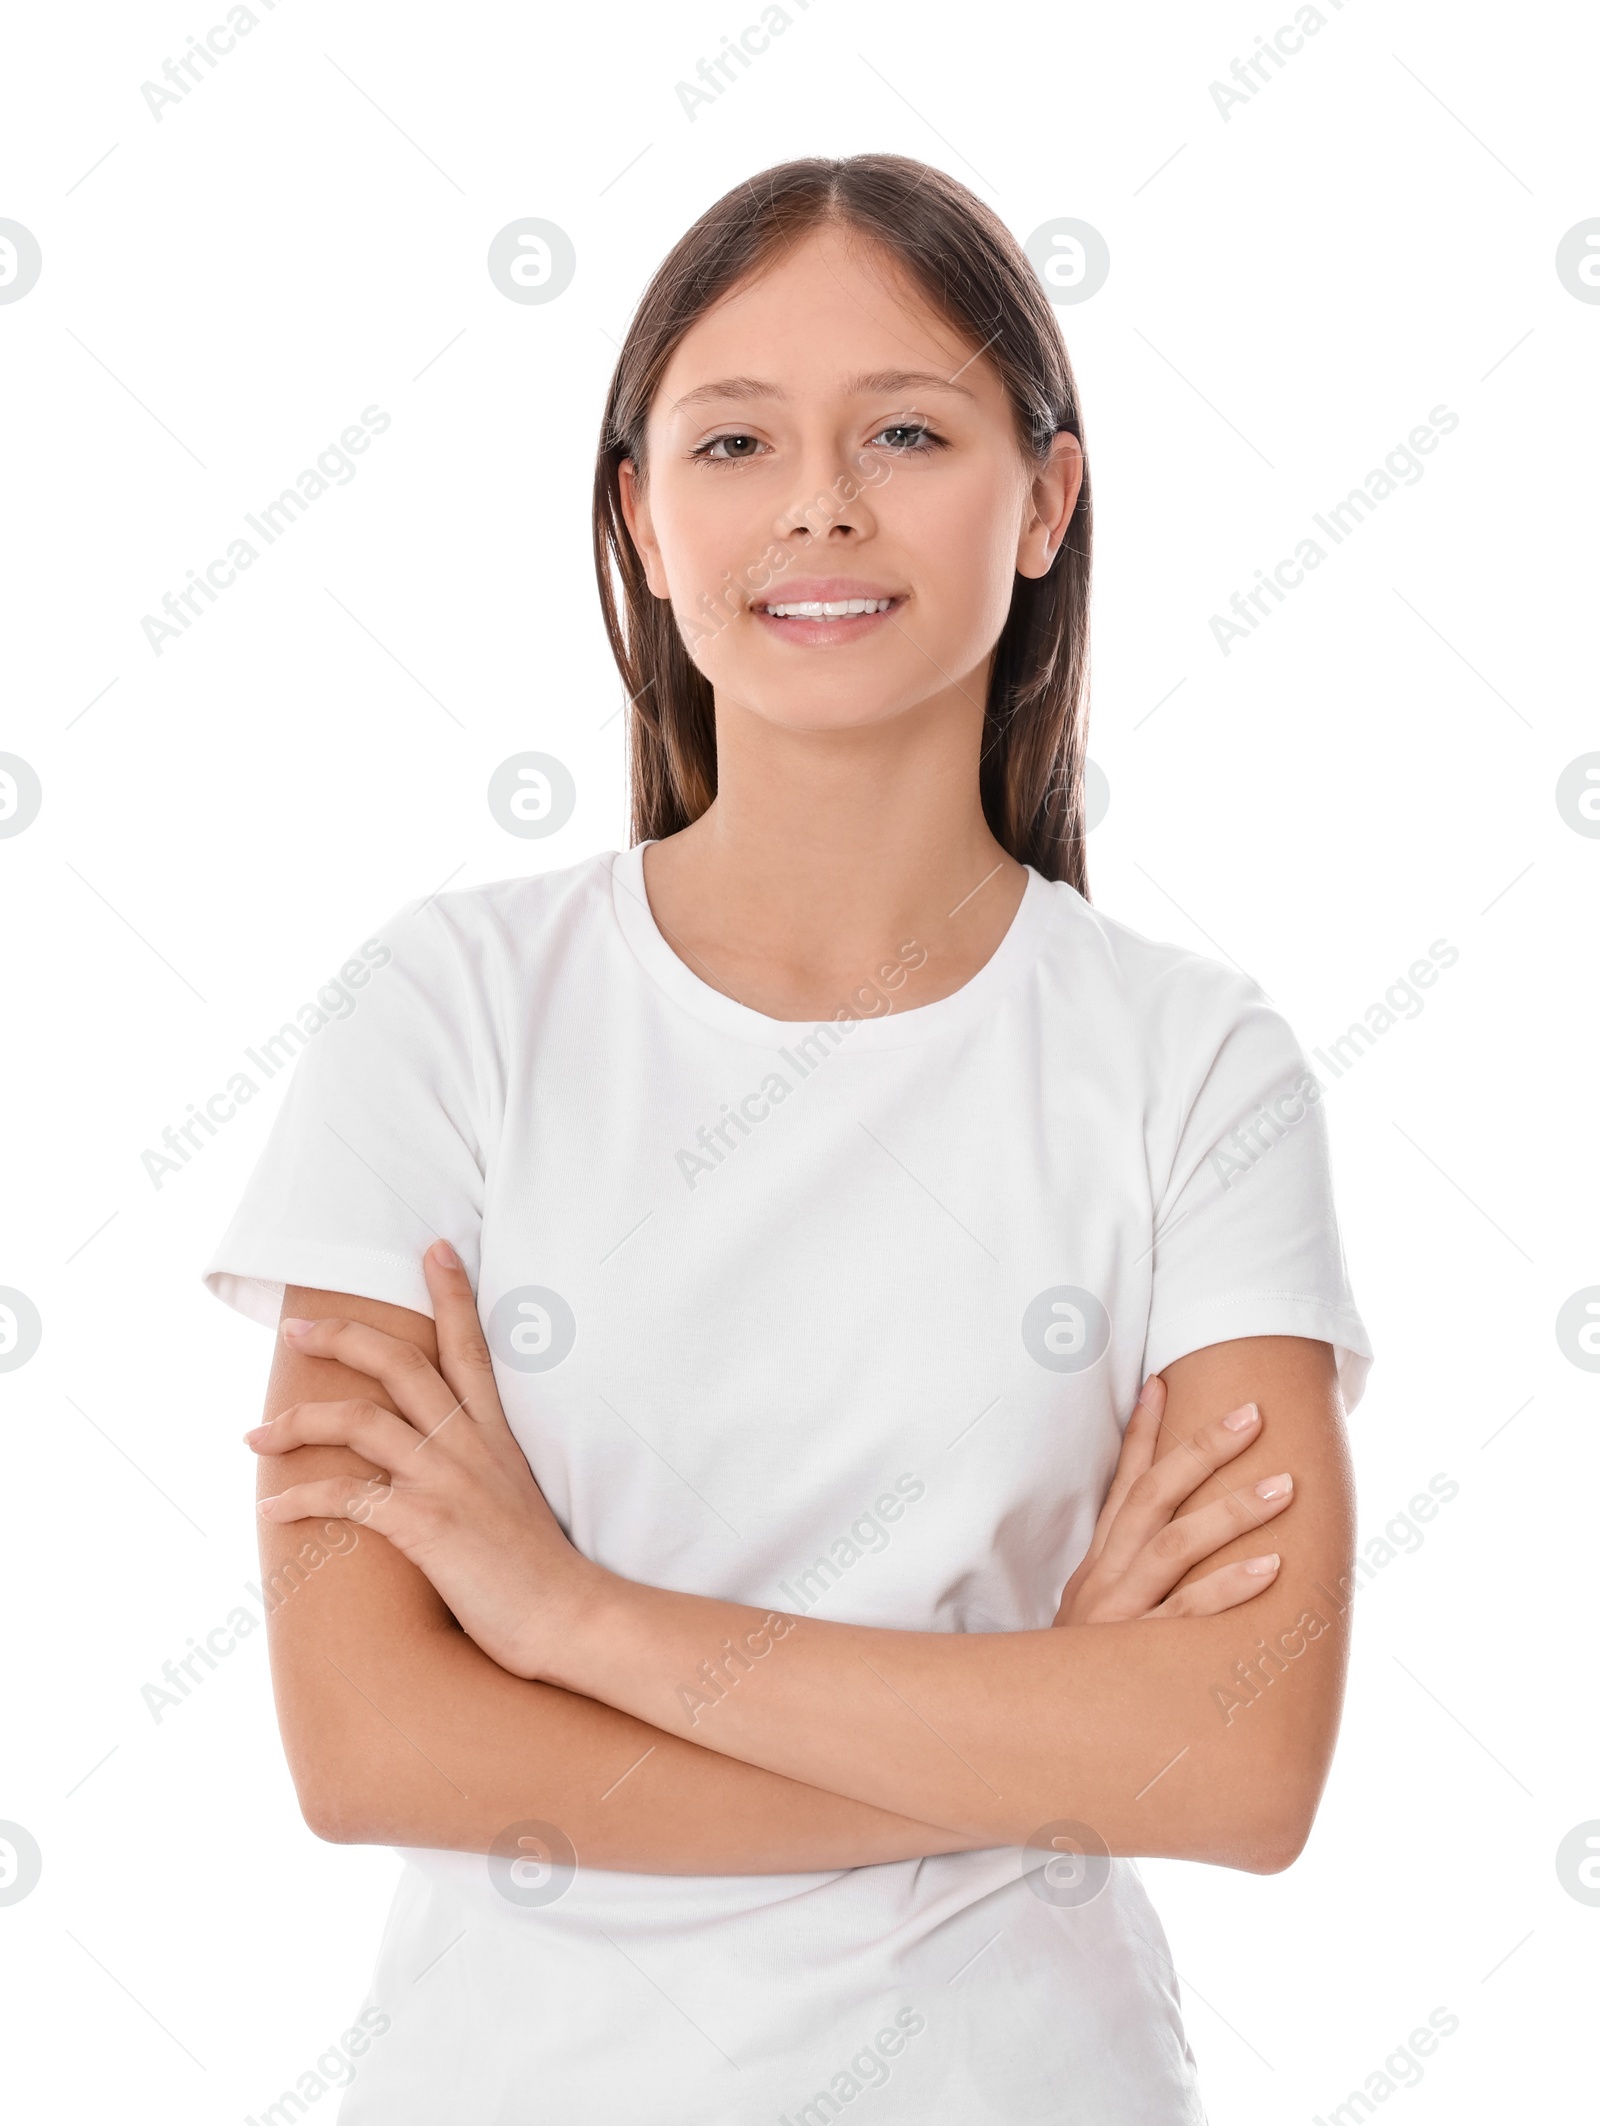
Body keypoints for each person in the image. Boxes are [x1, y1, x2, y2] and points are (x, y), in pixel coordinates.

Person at [205, 153, 1371, 2124]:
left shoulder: (1187, 1061)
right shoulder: (448, 1012)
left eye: (904, 430)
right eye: (732, 438)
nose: (816, 499)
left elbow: (1239, 1771)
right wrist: (1039, 1733)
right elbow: (371, 1742)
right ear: (641, 522)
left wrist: (568, 1620)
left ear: (1043, 502)